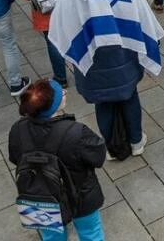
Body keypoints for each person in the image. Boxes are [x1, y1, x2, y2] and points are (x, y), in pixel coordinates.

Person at [48, 0, 164, 158]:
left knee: (103, 103)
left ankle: (111, 148)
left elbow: (60, 25)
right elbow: (146, 24)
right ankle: (136, 142)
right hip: (124, 58)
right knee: (129, 97)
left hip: (92, 62)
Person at [9, 79, 107, 241]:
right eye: (61, 93)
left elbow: (15, 158)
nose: (65, 93)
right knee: (91, 233)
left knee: (51, 237)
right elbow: (98, 156)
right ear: (53, 106)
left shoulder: (18, 129)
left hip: (38, 197)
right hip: (80, 196)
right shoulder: (76, 132)